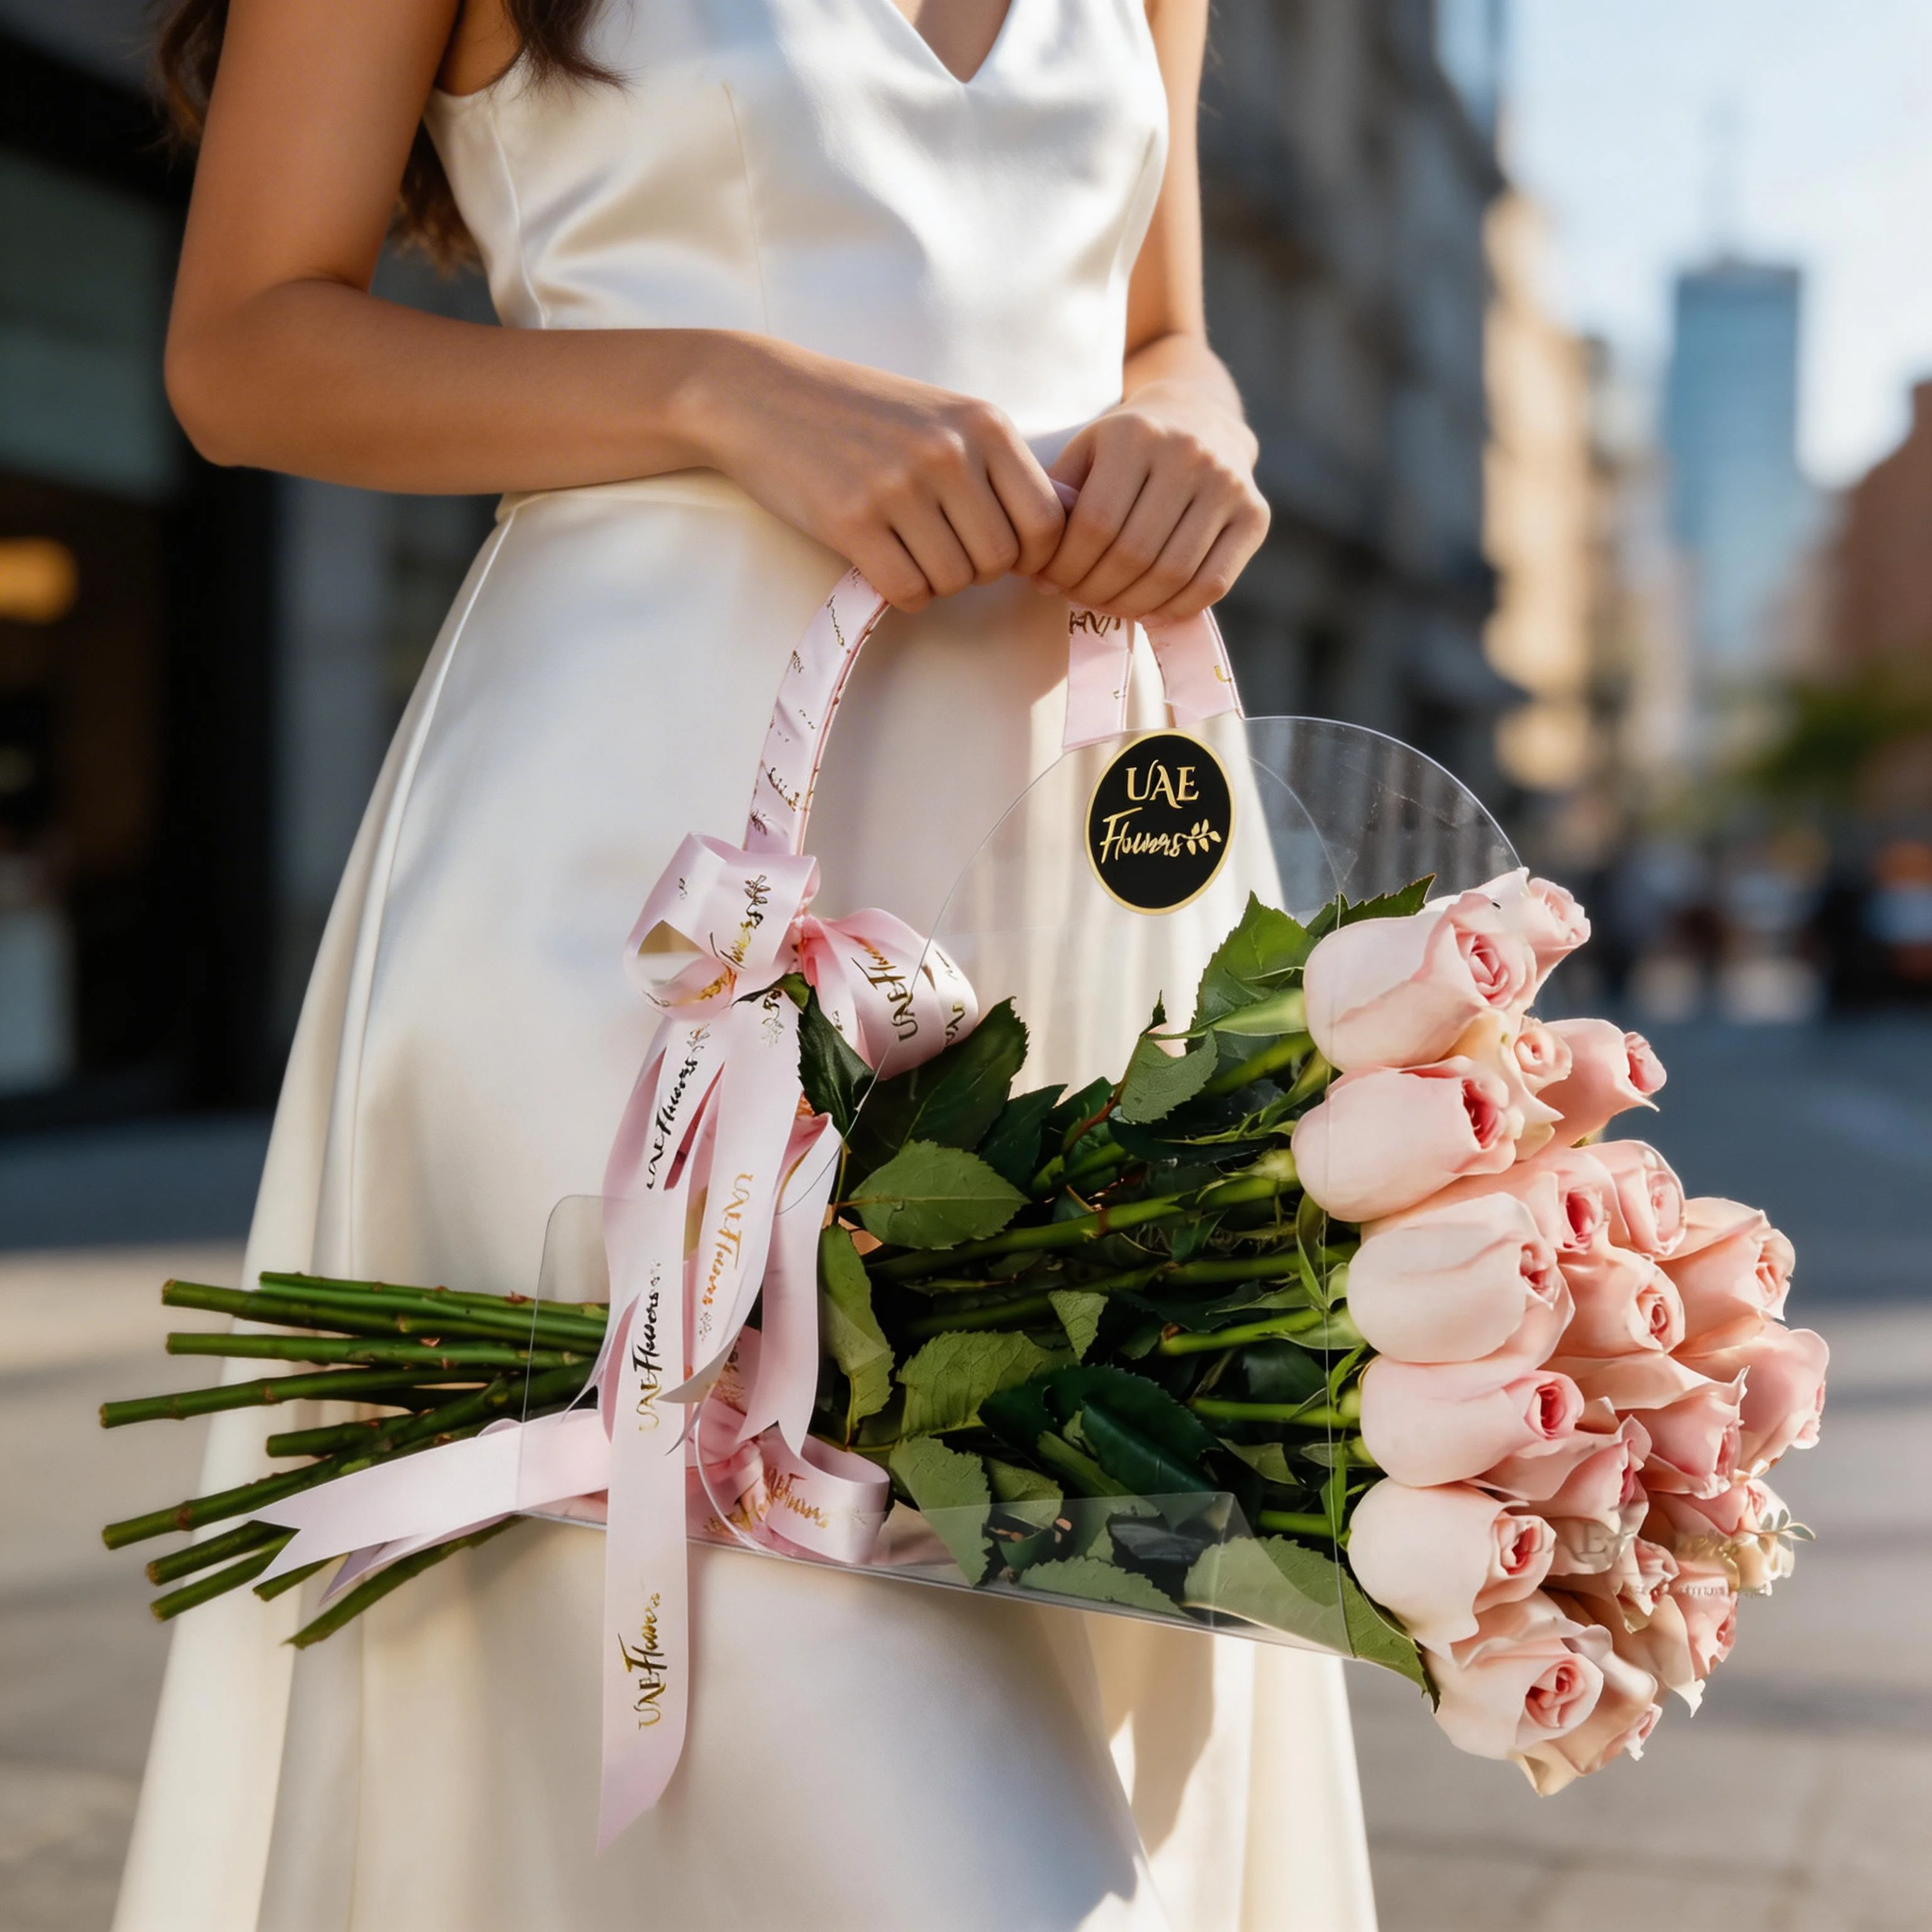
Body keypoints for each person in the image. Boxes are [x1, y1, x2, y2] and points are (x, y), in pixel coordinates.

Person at [118, 0, 1379, 1925]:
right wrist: (718, 389)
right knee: (821, 1736)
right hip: (643, 893)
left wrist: (1195, 437)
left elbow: (1161, 323)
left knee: (1090, 1647)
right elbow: (244, 348)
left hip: (1079, 879)